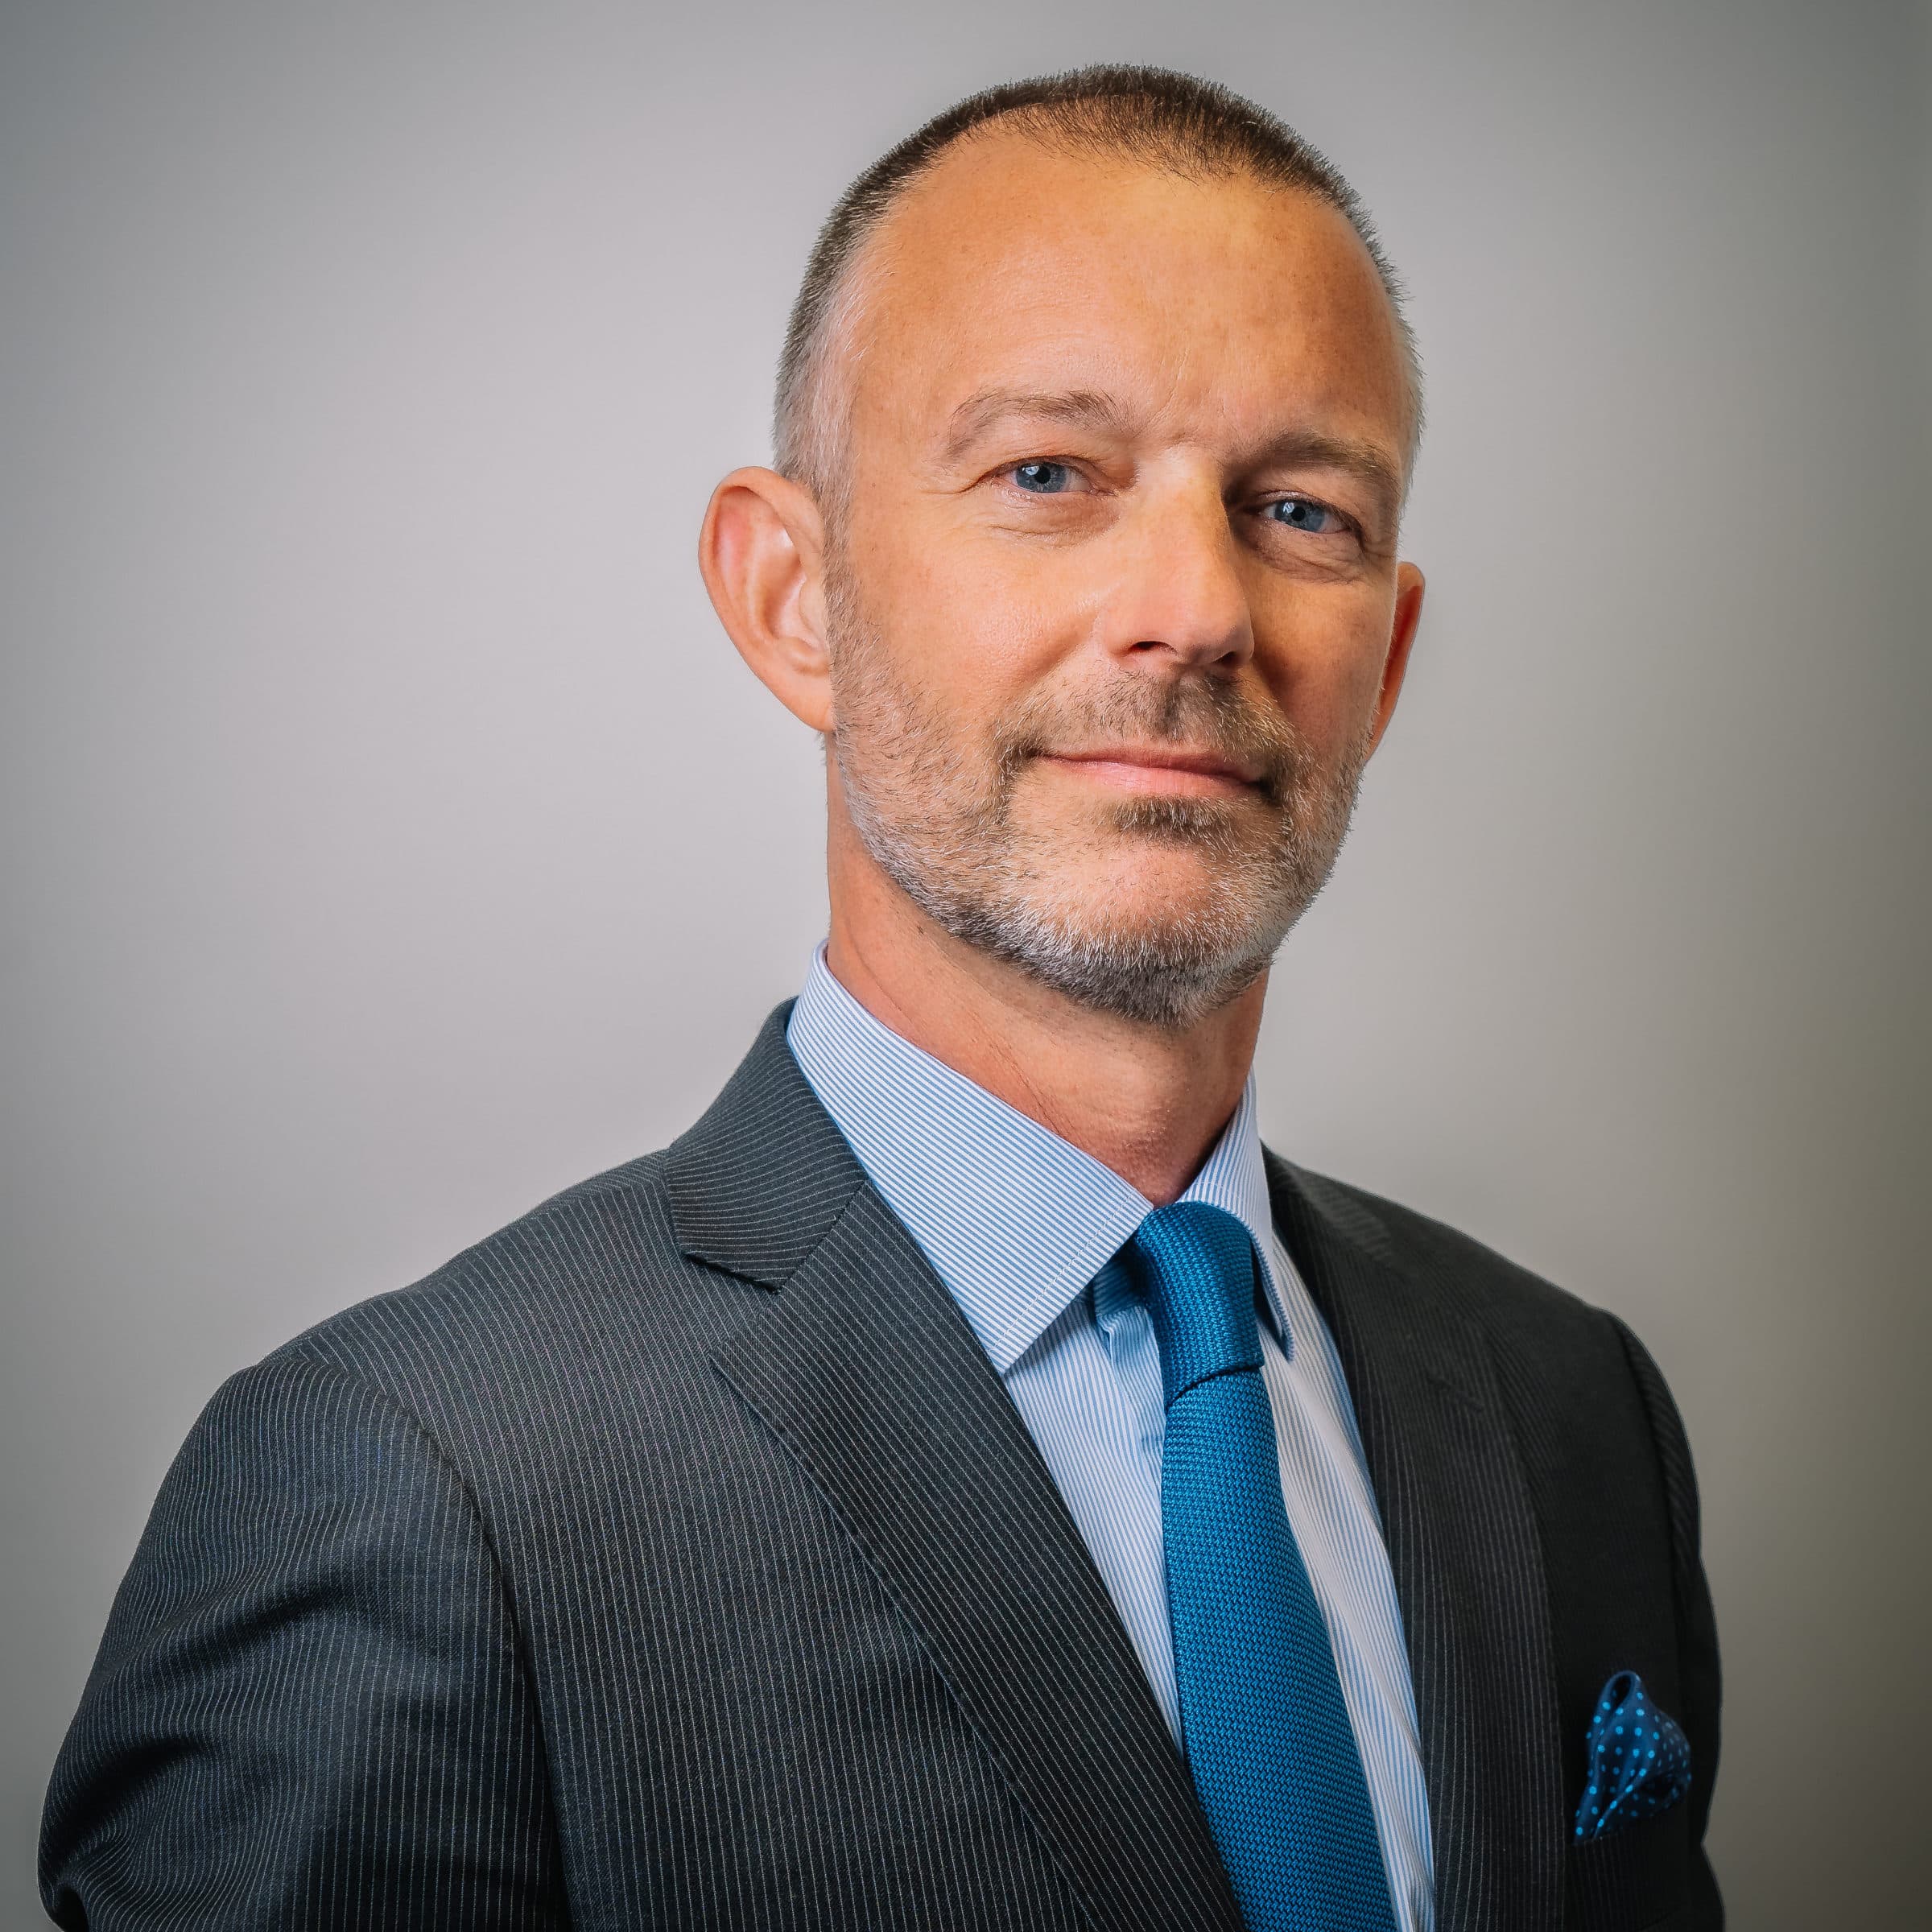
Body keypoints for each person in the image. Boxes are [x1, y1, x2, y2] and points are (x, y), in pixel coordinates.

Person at [39, 66, 1721, 1932]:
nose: (1198, 607)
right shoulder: (417, 1495)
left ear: (1386, 659)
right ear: (795, 599)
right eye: (1048, 477)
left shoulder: (1577, 1410)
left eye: (1300, 510)